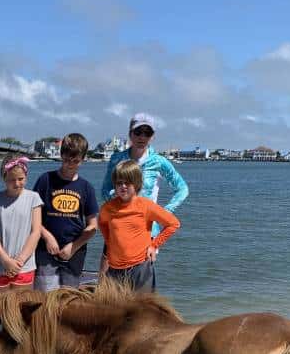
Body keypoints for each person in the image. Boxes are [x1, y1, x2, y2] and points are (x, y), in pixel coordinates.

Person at [98, 160, 180, 292]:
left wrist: (154, 245)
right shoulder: (107, 208)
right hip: (114, 269)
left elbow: (173, 224)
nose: (123, 186)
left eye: (127, 182)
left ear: (136, 184)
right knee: (116, 311)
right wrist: (109, 241)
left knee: (143, 310)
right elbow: (102, 223)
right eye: (119, 183)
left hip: (140, 268)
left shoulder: (146, 205)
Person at [33, 133, 99, 291]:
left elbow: (92, 226)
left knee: (68, 300)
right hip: (45, 251)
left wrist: (74, 246)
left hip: (74, 254)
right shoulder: (45, 180)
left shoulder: (86, 187)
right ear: (61, 155)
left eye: (75, 161)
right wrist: (47, 237)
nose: (70, 164)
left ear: (83, 159)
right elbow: (33, 217)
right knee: (46, 299)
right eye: (66, 159)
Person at [101, 113, 189, 222]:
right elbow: (105, 190)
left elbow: (182, 189)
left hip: (149, 229)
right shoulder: (116, 159)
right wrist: (117, 203)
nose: (142, 137)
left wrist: (165, 211)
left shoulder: (159, 161)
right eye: (138, 132)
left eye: (147, 133)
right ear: (130, 134)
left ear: (152, 136)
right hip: (120, 225)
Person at [0, 155, 43, 290]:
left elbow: (36, 232)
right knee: (0, 308)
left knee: (22, 307)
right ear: (4, 178)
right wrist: (5, 260)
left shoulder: (33, 198)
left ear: (26, 176)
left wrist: (19, 261)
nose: (17, 183)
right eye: (12, 180)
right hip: (0, 265)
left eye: (21, 179)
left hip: (24, 266)